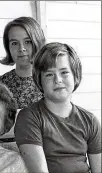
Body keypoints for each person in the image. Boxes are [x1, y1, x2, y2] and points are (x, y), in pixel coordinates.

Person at [15, 42, 101, 173]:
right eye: (49, 74)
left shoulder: (90, 121)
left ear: (75, 76)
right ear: (39, 80)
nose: (58, 80)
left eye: (64, 72)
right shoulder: (30, 117)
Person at [0, 16, 45, 109]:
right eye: (14, 43)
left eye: (28, 42)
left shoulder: (50, 82)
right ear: (8, 47)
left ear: (38, 42)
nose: (21, 48)